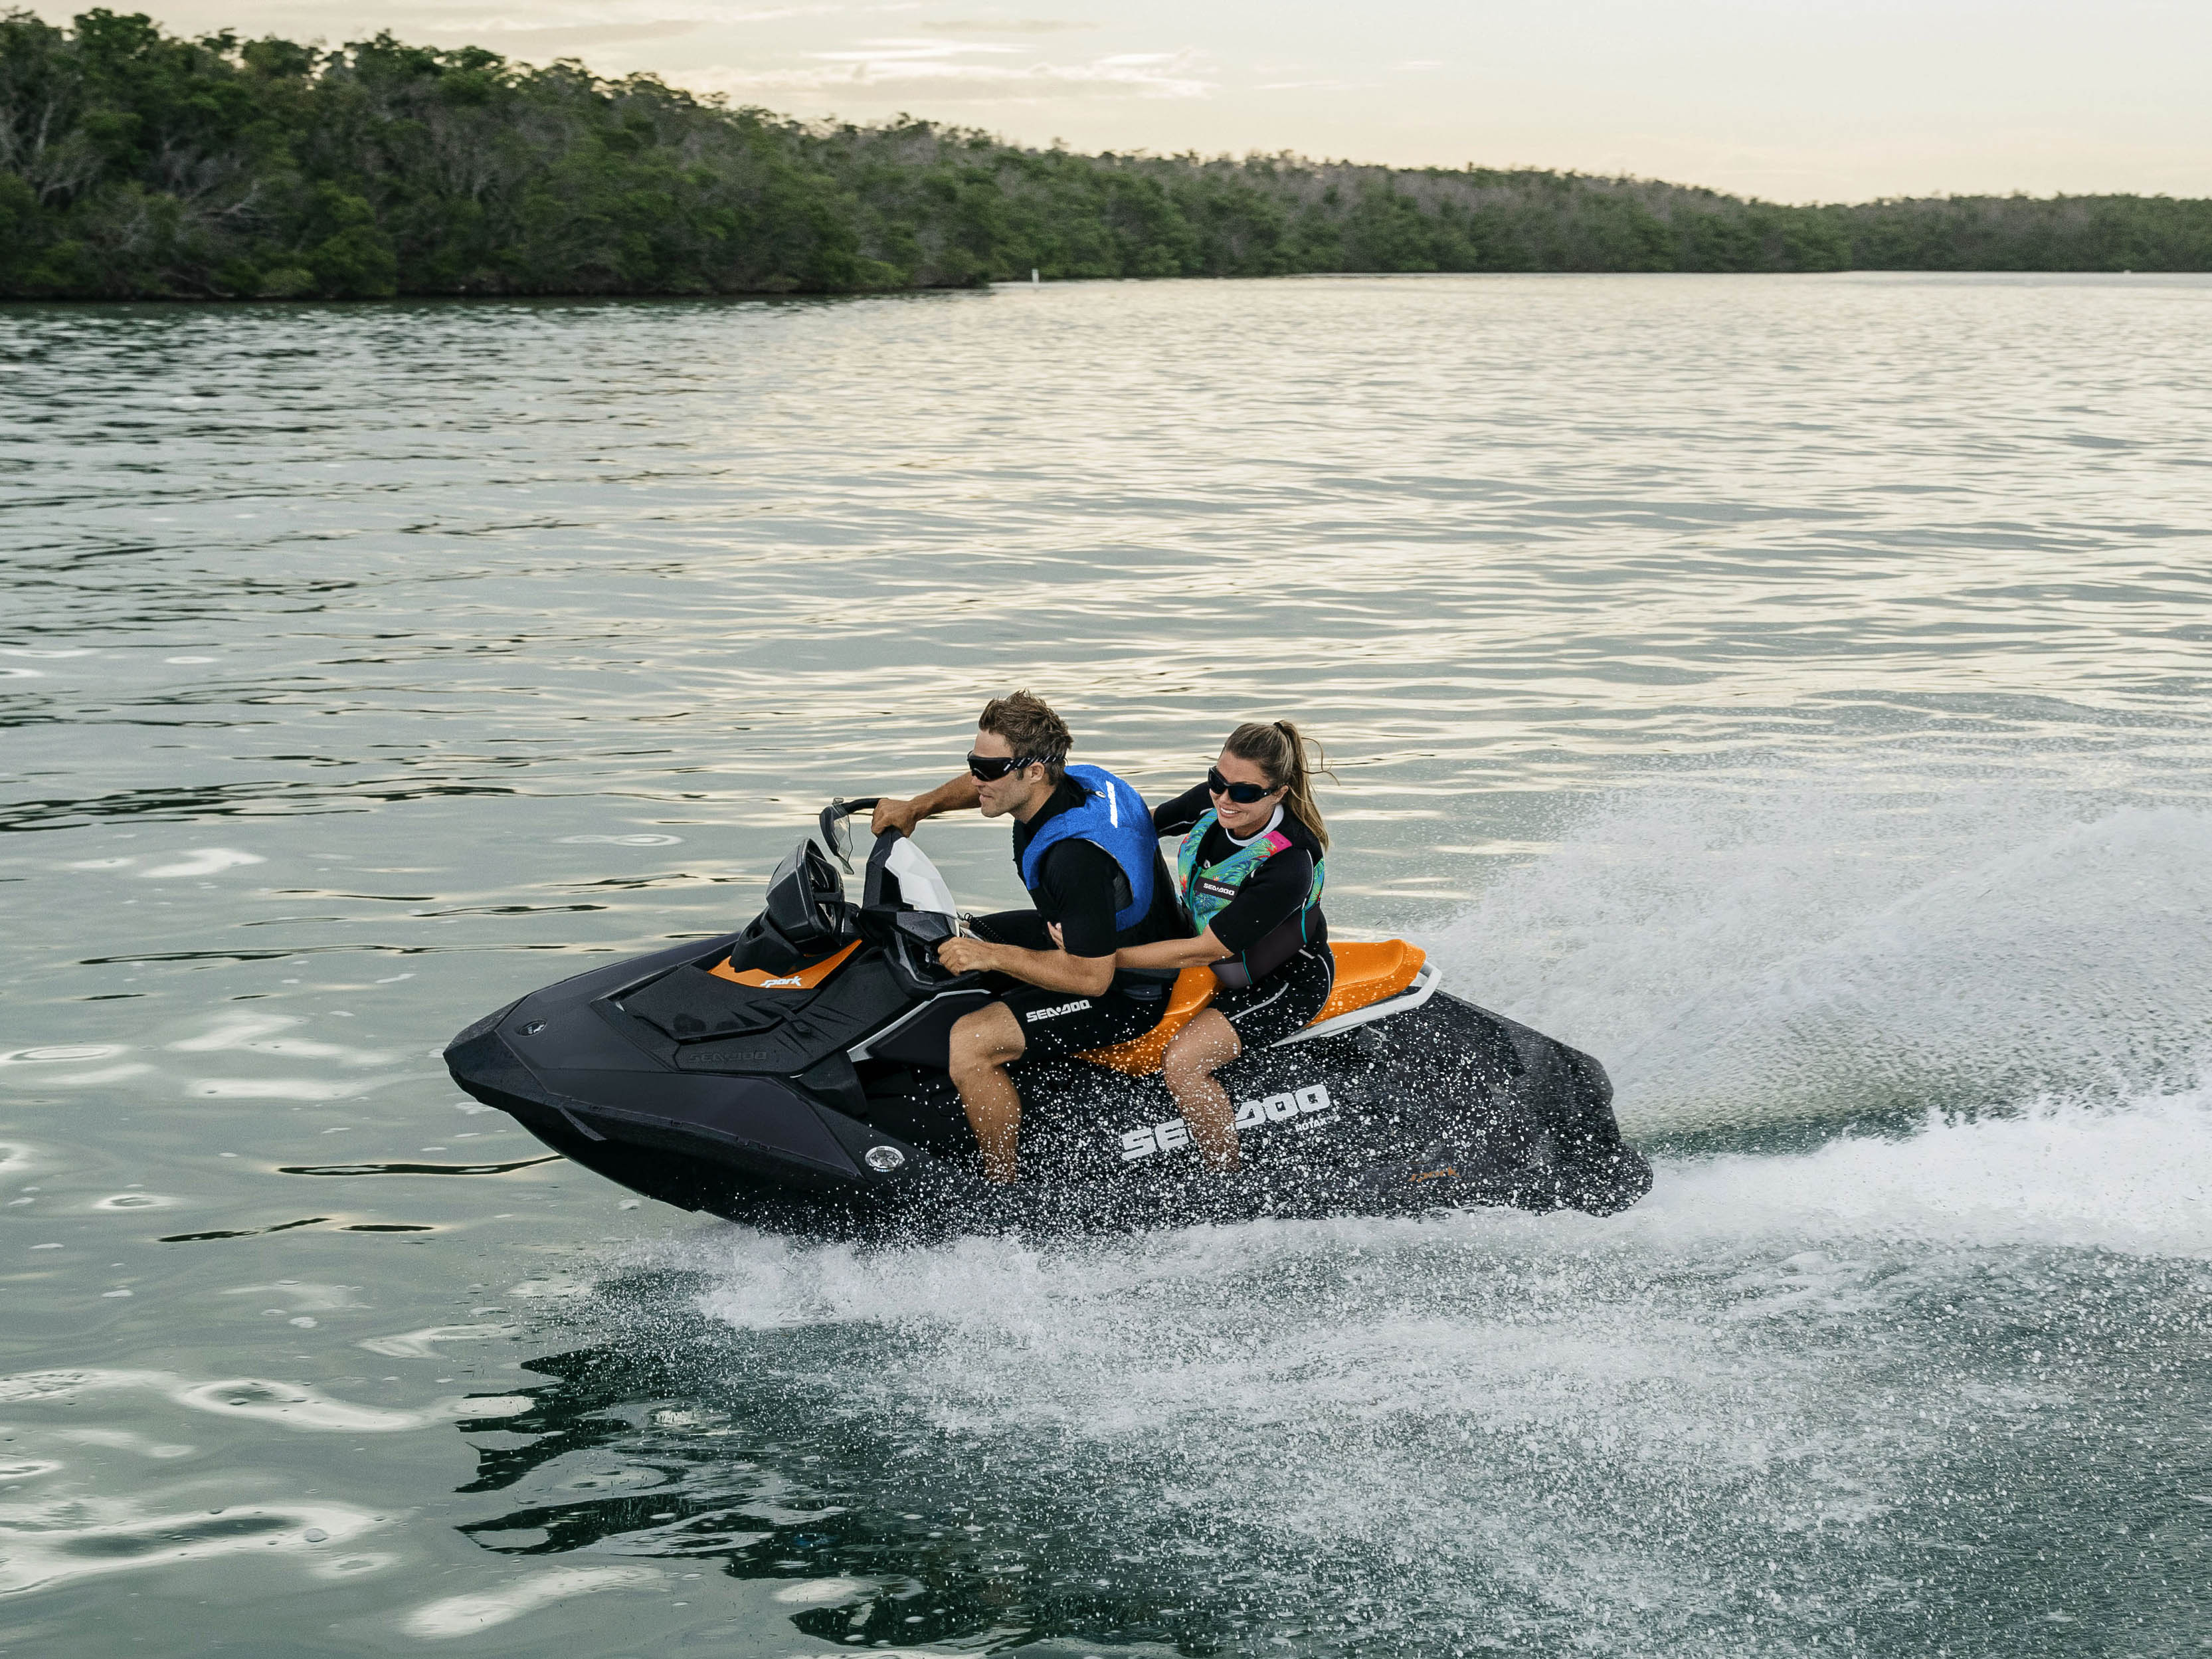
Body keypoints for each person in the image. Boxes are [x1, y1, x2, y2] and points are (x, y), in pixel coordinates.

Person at [870, 691, 1186, 1183]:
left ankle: (1003, 1187)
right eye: (974, 762)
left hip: (1132, 986)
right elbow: (978, 788)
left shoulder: (1073, 859)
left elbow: (1091, 977)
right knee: (956, 936)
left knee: (971, 1041)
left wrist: (993, 956)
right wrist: (919, 806)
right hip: (1083, 931)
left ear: (1034, 771)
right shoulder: (1077, 781)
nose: (978, 778)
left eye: (990, 769)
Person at [1111, 722, 1333, 1172]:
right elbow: (1141, 828)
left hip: (1282, 979)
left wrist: (1099, 959)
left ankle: (1225, 1178)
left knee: (1184, 1064)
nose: (1225, 799)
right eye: (1218, 781)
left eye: (1244, 792)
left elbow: (1204, 949)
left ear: (1278, 793)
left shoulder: (1290, 862)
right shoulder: (1216, 801)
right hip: (1214, 953)